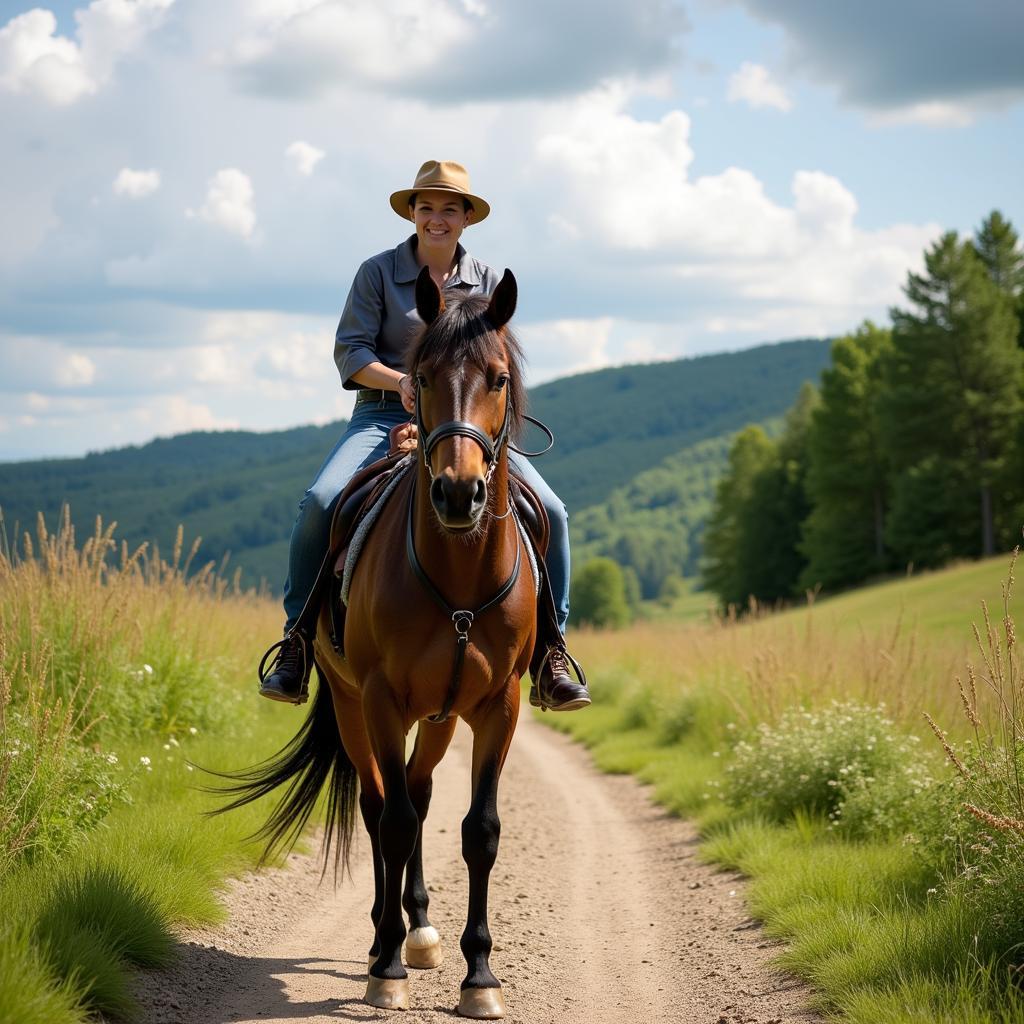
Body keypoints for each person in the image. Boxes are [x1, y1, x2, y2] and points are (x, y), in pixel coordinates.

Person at [258, 160, 589, 712]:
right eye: (427, 207)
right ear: (413, 214)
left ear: (466, 219)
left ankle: (553, 652)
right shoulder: (376, 274)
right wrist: (404, 383)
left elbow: (492, 364)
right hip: (382, 415)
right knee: (320, 502)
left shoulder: (486, 283)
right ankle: (296, 642)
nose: (437, 218)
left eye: (449, 209)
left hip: (464, 425)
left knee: (552, 511)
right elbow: (352, 352)